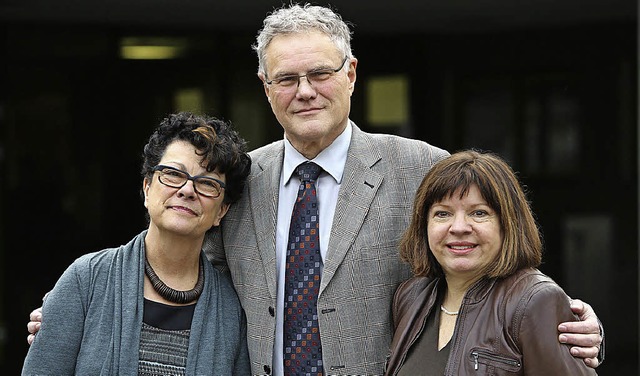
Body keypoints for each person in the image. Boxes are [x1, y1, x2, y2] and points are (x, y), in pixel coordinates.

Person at [27, 3, 604, 375]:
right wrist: (84, 307)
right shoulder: (239, 180)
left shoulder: (420, 168)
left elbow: (483, 251)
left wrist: (565, 320)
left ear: (350, 74)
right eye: (287, 78)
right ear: (265, 87)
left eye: (320, 74)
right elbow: (179, 251)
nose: (305, 90)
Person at [22, 112, 251, 375]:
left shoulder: (230, 311)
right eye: (174, 174)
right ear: (147, 188)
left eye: (208, 183)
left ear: (221, 211)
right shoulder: (86, 280)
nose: (187, 190)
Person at [384, 150, 598, 375]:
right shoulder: (410, 298)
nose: (458, 227)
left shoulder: (534, 302)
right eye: (442, 214)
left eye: (478, 213)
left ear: (508, 224)